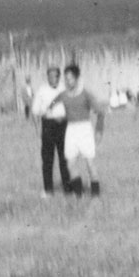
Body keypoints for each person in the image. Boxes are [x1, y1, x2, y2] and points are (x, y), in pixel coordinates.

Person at [50, 64, 107, 197]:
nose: (67, 81)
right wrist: (51, 111)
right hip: (71, 130)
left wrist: (99, 131)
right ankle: (79, 194)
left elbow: (100, 112)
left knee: (89, 163)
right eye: (65, 79)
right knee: (70, 164)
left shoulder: (86, 94)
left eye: (70, 79)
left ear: (76, 79)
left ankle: (95, 195)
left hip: (84, 129)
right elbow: (52, 103)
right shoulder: (63, 95)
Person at [31, 66, 71, 197]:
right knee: (47, 159)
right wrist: (38, 130)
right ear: (47, 77)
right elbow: (35, 112)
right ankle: (48, 190)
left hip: (63, 125)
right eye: (50, 76)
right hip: (48, 125)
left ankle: (68, 189)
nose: (53, 78)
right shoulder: (41, 91)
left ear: (59, 77)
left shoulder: (64, 89)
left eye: (56, 76)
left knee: (65, 158)